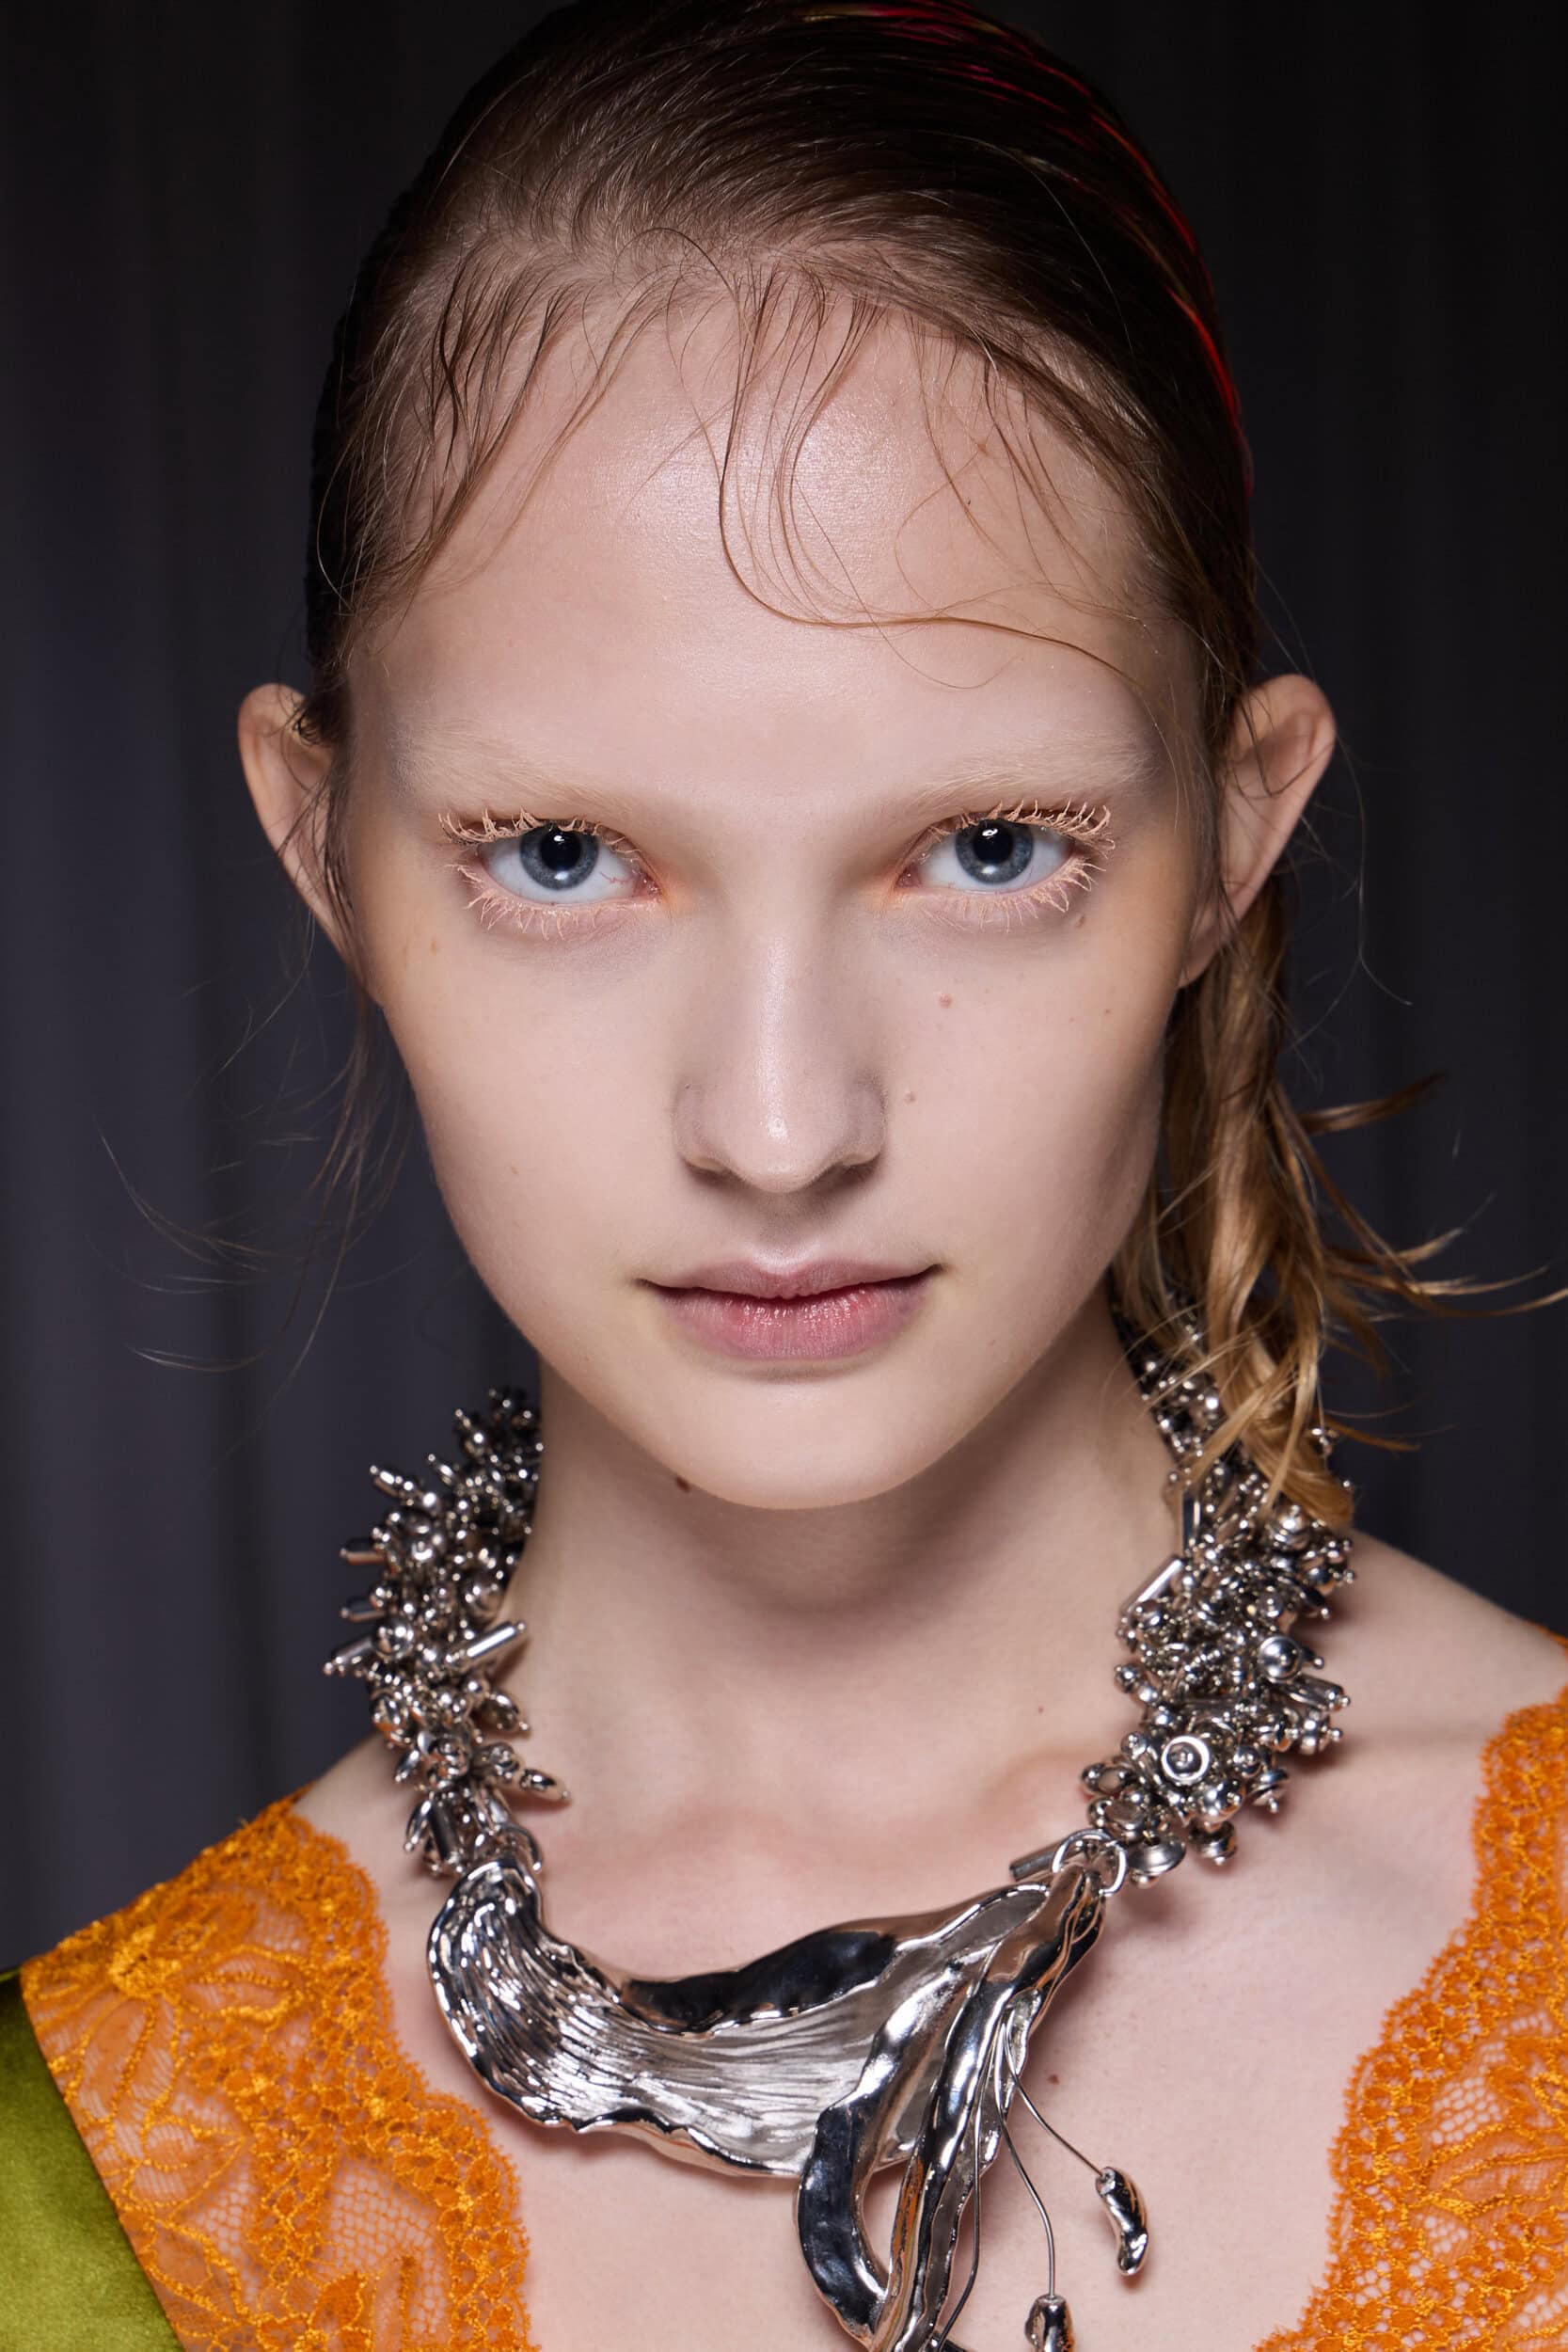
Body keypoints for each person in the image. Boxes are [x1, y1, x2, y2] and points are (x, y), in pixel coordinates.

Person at [4, 2, 1565, 2345]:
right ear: (320, 845)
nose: (779, 1124)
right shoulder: (79, 2194)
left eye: (986, 846)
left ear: (1238, 831)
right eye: (561, 854)